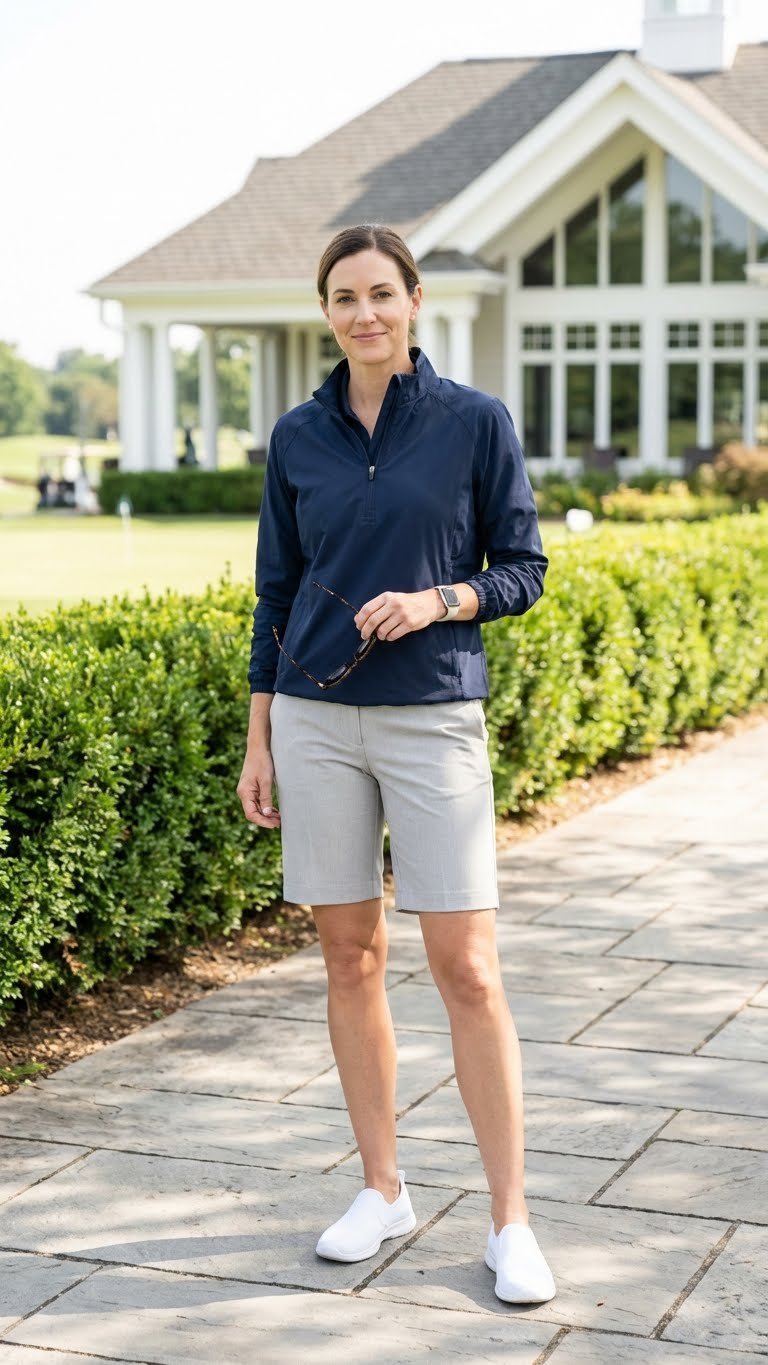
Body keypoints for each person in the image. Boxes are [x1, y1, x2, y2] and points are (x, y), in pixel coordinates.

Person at [237, 223, 555, 1305]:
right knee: (349, 960)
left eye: (381, 293)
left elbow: (523, 569)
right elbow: (276, 590)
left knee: (467, 968)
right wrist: (260, 732)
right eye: (342, 298)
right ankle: (383, 1189)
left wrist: (438, 600)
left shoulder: (474, 423)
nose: (363, 314)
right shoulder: (297, 436)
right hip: (318, 723)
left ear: (415, 300)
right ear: (324, 312)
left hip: (431, 718)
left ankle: (511, 1221)